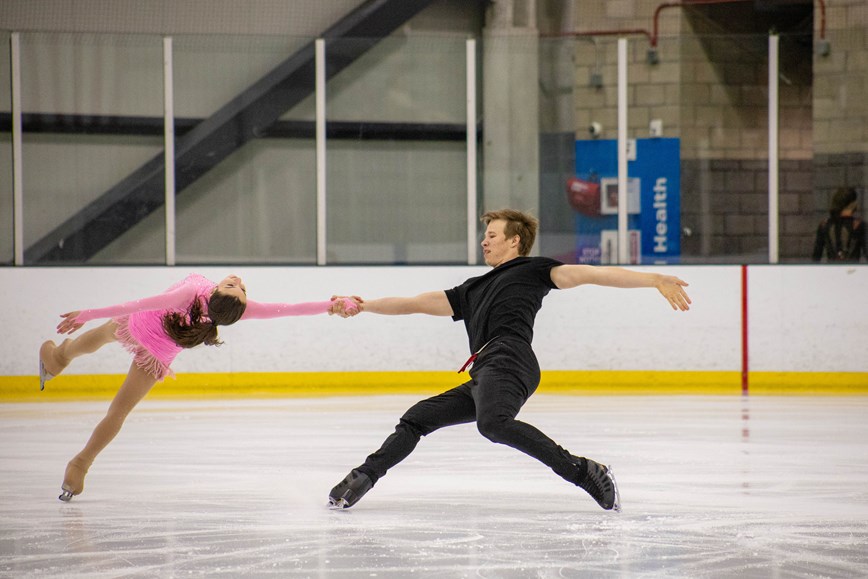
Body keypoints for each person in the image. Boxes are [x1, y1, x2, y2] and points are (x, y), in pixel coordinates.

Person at [326, 209, 691, 512]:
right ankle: (364, 476)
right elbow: (415, 303)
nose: (484, 241)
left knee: (493, 423)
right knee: (417, 418)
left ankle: (584, 472)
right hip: (486, 370)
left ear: (515, 241)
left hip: (511, 358)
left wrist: (654, 279)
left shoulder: (534, 271)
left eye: (493, 235)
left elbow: (592, 274)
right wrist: (364, 305)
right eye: (485, 235)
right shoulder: (471, 289)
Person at [39, 272, 357, 502]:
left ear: (216, 291)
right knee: (118, 411)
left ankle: (58, 358)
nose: (239, 281)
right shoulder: (237, 310)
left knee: (93, 340)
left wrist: (86, 314)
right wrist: (332, 305)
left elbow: (136, 304)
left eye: (237, 286)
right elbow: (290, 309)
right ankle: (79, 465)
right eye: (240, 286)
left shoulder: (191, 290)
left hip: (136, 326)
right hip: (158, 355)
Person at [812, 187, 866, 262]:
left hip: (832, 271)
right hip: (852, 271)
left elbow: (816, 257)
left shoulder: (824, 225)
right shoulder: (859, 225)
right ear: (852, 204)